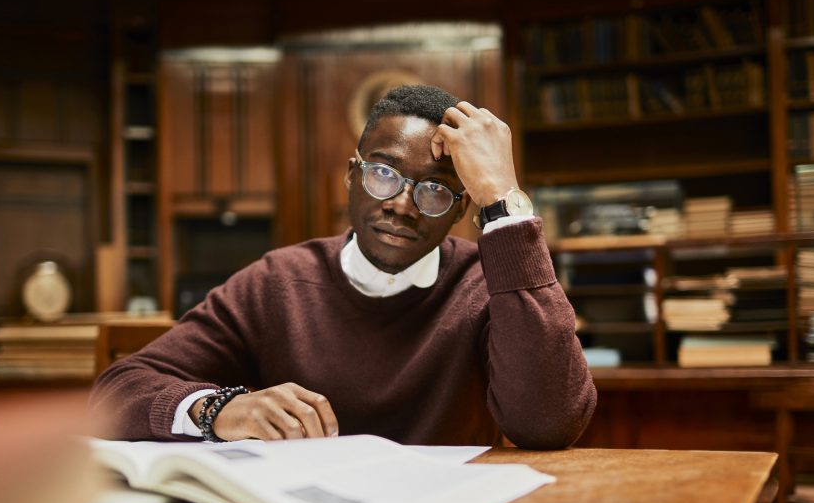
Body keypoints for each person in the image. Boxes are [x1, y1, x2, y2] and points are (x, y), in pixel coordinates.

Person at [90, 85, 595, 450]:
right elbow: (117, 391)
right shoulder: (277, 282)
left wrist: (502, 199)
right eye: (383, 174)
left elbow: (548, 423)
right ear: (351, 178)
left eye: (436, 190)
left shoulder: (492, 286)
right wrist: (217, 408)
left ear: (463, 209)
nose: (402, 205)